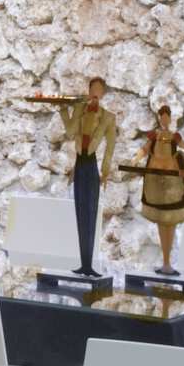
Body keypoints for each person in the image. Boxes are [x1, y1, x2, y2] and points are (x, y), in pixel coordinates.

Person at [60, 77, 118, 276]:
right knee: (80, 212)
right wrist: (63, 111)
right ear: (89, 90)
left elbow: (110, 148)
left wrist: (105, 172)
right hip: (79, 164)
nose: (95, 92)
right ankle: (83, 264)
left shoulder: (108, 117)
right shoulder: (80, 109)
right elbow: (70, 133)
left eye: (99, 89)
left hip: (91, 165)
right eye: (93, 88)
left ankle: (89, 264)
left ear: (103, 93)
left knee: (91, 213)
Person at [136, 104, 184, 273]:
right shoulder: (154, 136)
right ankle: (165, 262)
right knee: (161, 221)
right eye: (162, 118)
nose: (164, 121)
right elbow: (144, 149)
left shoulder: (174, 137)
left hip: (173, 185)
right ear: (159, 119)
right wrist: (135, 160)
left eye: (167, 118)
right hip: (155, 184)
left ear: (170, 119)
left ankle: (168, 263)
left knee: (170, 222)